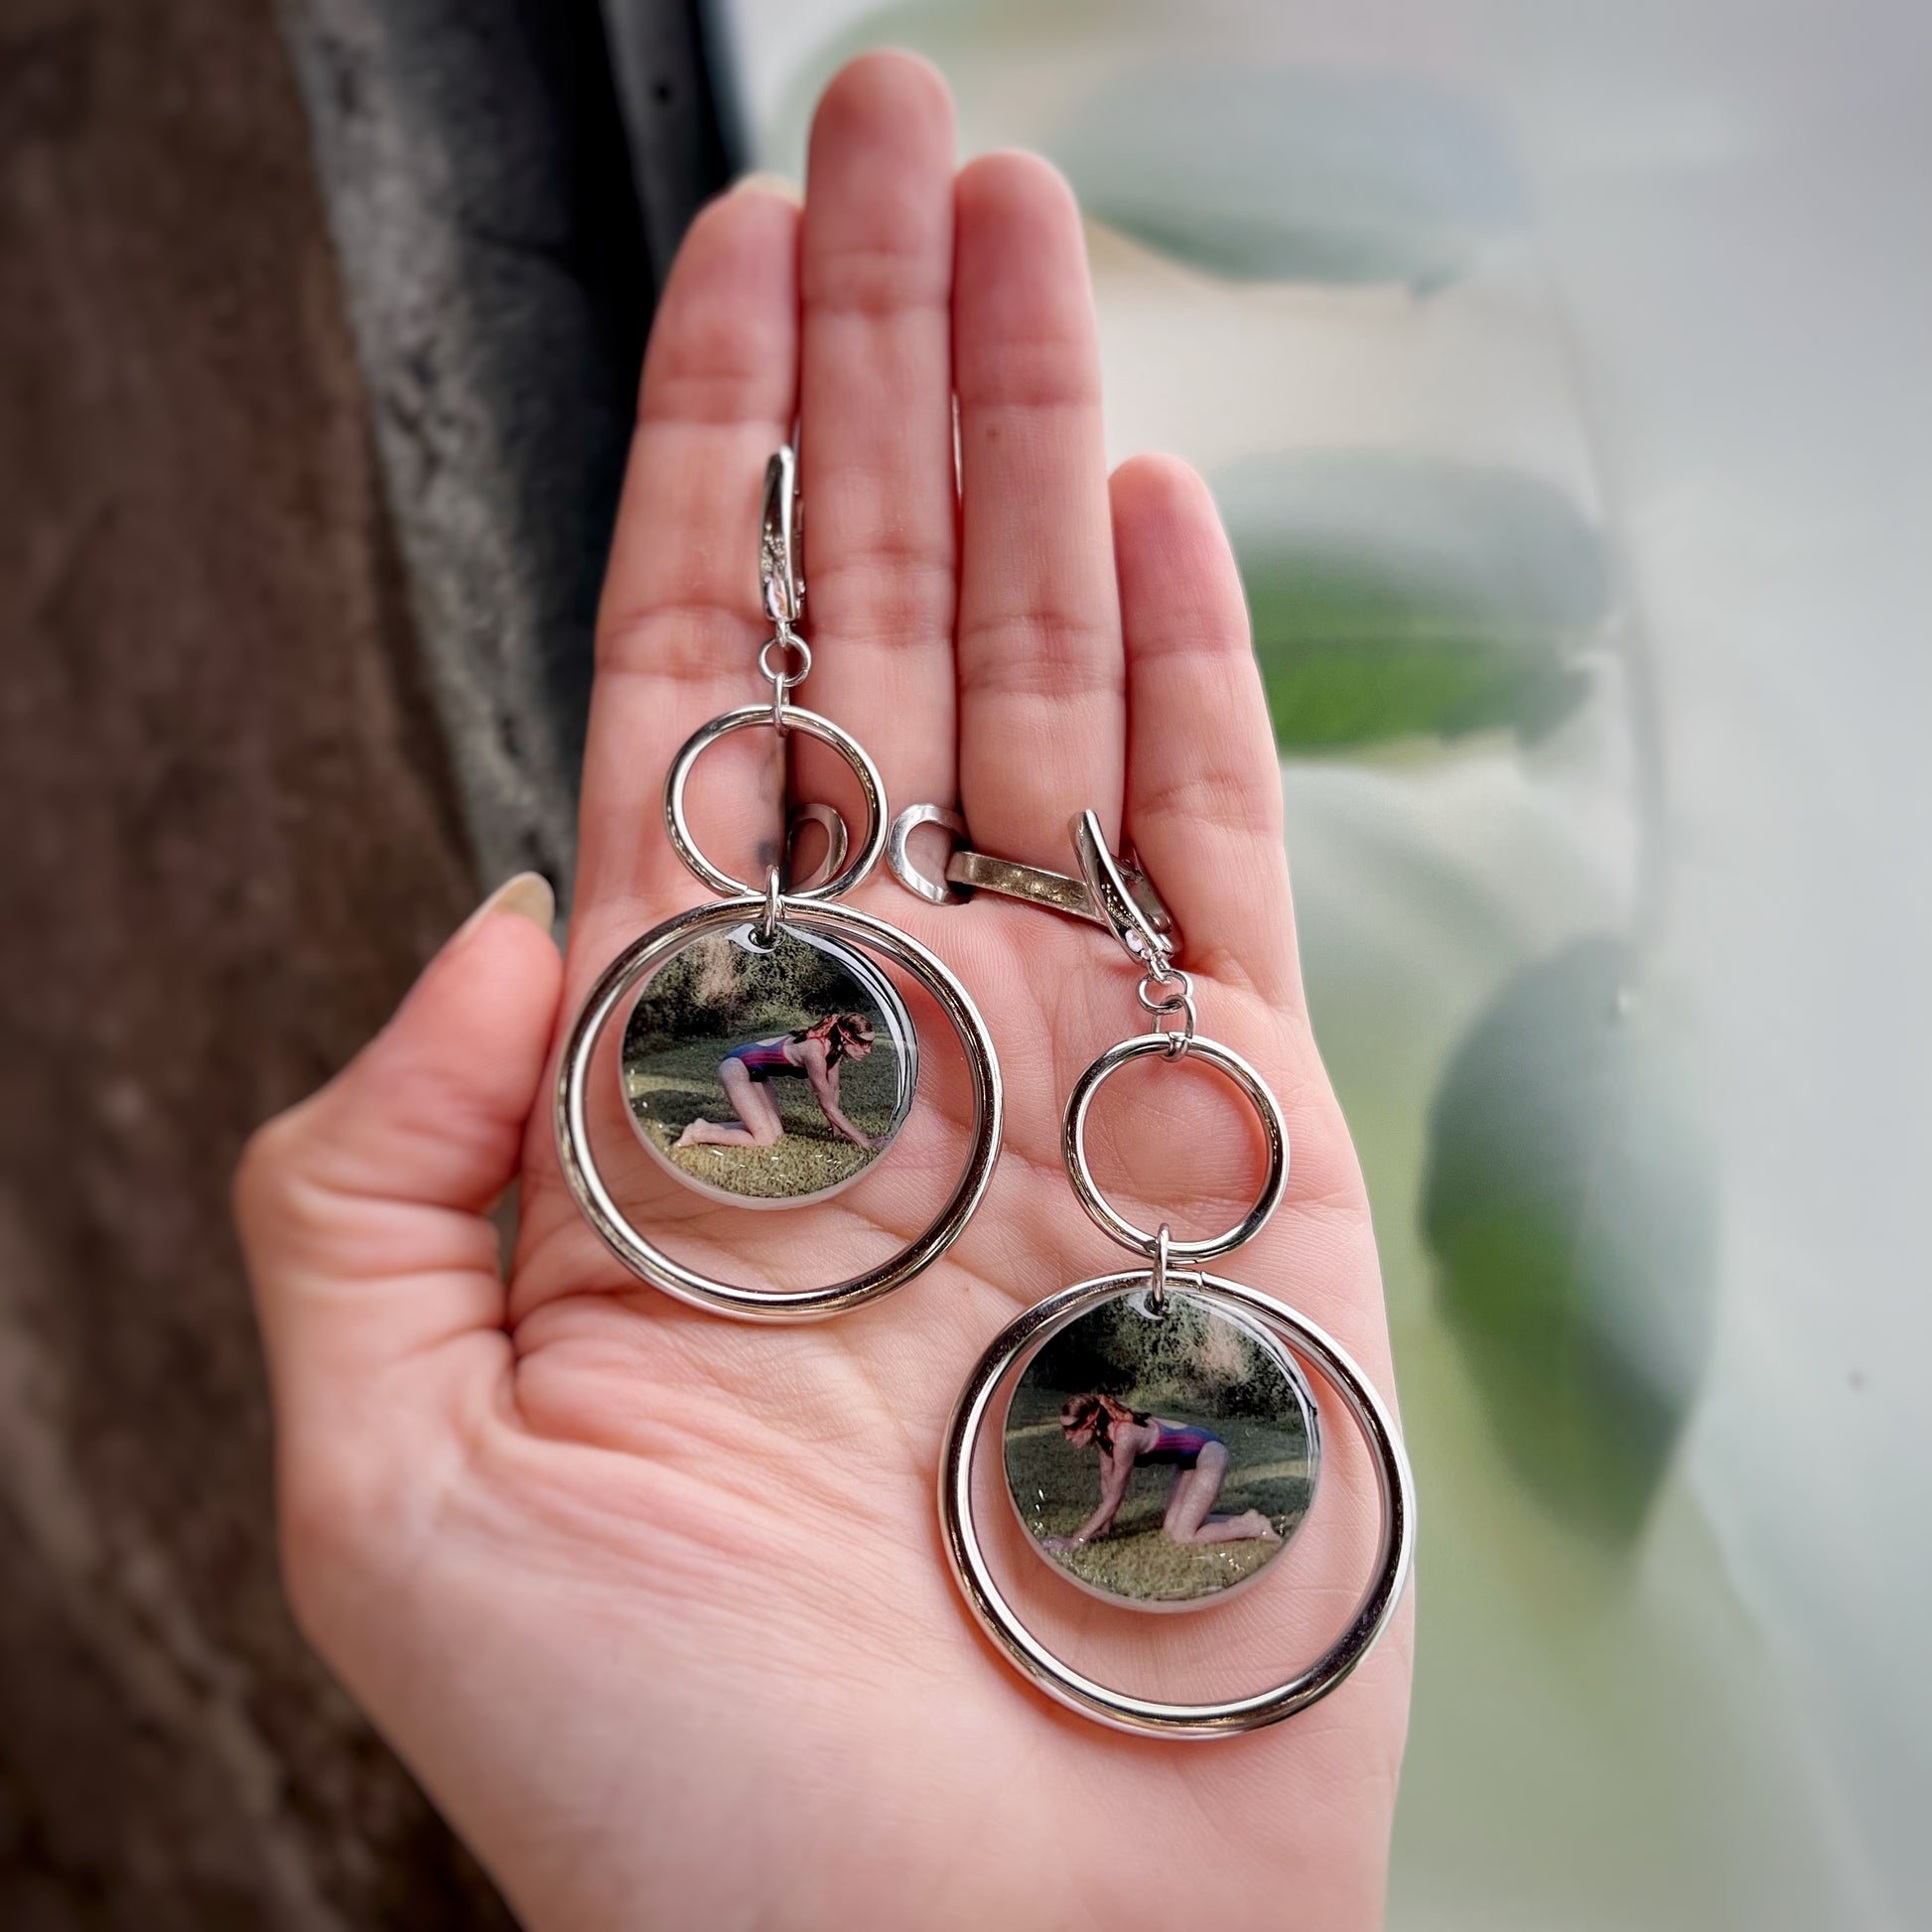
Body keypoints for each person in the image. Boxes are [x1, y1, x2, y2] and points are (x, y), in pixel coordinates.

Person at [233, 51, 1410, 1932]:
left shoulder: (1135, 1412)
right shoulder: (877, 1119)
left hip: (1095, 1354)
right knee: (779, 1109)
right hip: (909, 1156)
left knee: (1125, 1448)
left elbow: (1150, 1449)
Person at [1043, 1393, 1280, 1552]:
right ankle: (1245, 1518)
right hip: (1189, 1460)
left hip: (1209, 1453)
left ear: (1090, 1420)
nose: (1067, 1436)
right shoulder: (1104, 1439)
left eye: (1071, 1428)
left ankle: (1255, 1526)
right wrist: (1104, 1529)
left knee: (1183, 1537)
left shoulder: (1124, 1437)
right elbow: (1109, 1484)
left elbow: (1115, 1498)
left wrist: (1075, 1541)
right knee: (1172, 1527)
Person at [672, 1012, 879, 1152]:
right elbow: (826, 1106)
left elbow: (832, 1091)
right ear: (845, 1037)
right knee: (765, 1141)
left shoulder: (834, 1053)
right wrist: (865, 1142)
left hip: (757, 1072)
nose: (867, 1050)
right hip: (737, 1066)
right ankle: (697, 1133)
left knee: (775, 1133)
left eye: (870, 1043)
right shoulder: (814, 1052)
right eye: (862, 1043)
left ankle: (705, 1125)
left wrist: (837, 1132)